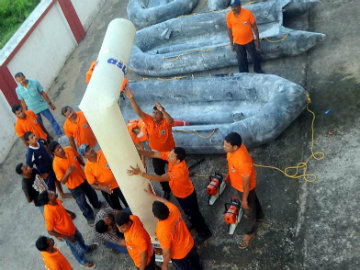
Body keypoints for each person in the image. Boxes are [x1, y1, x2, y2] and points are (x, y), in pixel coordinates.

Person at [128, 147, 212, 244]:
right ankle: (195, 224)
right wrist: (138, 151)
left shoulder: (179, 171)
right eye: (170, 153)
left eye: (172, 156)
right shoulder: (172, 157)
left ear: (178, 160)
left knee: (194, 214)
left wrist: (141, 174)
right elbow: (154, 154)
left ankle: (204, 232)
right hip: (180, 193)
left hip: (186, 196)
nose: (169, 156)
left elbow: (160, 178)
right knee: (190, 213)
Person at [124, 86, 174, 199]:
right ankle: (166, 190)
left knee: (174, 169)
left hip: (170, 152)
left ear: (162, 114)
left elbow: (170, 120)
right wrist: (132, 99)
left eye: (157, 113)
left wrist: (162, 110)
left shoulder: (166, 122)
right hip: (156, 153)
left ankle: (177, 181)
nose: (154, 115)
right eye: (153, 112)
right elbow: (139, 112)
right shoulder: (149, 121)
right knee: (159, 172)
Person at [223, 132, 263, 248]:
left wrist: (244, 200)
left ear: (235, 147)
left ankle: (250, 233)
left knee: (249, 209)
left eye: (226, 146)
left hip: (244, 188)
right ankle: (260, 216)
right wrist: (229, 175)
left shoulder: (243, 161)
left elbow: (246, 185)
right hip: (239, 184)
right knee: (253, 200)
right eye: (224, 144)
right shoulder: (233, 150)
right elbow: (231, 164)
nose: (223, 147)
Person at [38, 190, 97, 268]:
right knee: (76, 249)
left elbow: (61, 207)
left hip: (71, 227)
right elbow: (50, 231)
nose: (53, 192)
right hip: (66, 234)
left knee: (80, 238)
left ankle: (85, 249)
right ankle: (82, 261)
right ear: (48, 201)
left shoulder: (55, 200)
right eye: (50, 194)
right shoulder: (48, 213)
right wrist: (67, 237)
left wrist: (70, 213)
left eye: (50, 192)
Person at [49, 141, 102, 226]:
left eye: (60, 146)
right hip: (74, 186)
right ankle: (90, 217)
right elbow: (62, 181)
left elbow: (78, 158)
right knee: (82, 202)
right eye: (58, 149)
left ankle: (97, 204)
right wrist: (68, 172)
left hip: (83, 178)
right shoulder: (56, 164)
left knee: (91, 193)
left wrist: (84, 165)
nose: (61, 149)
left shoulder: (69, 149)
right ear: (54, 153)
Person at [148, 188, 202, 270]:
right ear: (166, 208)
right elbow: (165, 201)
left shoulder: (161, 230)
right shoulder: (173, 209)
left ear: (155, 216)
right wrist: (153, 196)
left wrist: (165, 265)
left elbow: (167, 252)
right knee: (196, 262)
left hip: (179, 255)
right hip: (189, 243)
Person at [80, 144, 128, 210]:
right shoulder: (87, 168)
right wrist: (102, 188)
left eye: (89, 147)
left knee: (129, 203)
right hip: (108, 190)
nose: (90, 150)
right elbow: (92, 184)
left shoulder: (104, 153)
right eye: (87, 150)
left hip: (120, 184)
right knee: (117, 209)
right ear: (84, 156)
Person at [14, 72, 63, 137]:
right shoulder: (18, 90)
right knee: (39, 125)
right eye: (19, 81)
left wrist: (50, 103)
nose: (21, 81)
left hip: (42, 106)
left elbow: (43, 93)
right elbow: (22, 102)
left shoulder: (34, 83)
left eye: (22, 79)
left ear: (24, 77)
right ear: (17, 81)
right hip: (32, 111)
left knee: (52, 120)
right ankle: (46, 137)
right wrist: (26, 112)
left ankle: (59, 133)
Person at [24, 131, 70, 198]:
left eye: (34, 135)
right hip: (45, 172)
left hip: (52, 165)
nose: (35, 137)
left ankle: (62, 194)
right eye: (32, 137)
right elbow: (29, 169)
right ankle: (54, 201)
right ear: (28, 142)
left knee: (57, 179)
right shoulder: (30, 153)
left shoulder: (40, 141)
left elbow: (46, 145)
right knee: (51, 188)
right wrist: (41, 175)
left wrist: (52, 156)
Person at [226, 0, 263, 73]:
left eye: (235, 6)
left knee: (254, 57)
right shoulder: (229, 16)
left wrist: (257, 41)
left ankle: (258, 70)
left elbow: (254, 27)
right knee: (241, 60)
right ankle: (244, 74)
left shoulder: (248, 13)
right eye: (232, 7)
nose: (234, 9)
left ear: (240, 6)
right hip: (237, 43)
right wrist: (231, 44)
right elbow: (229, 30)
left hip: (249, 41)